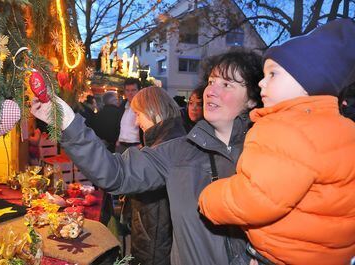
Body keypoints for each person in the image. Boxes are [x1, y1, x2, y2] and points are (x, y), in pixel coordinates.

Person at [30, 49, 263, 265]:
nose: (211, 90)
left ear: (252, 98)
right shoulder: (179, 152)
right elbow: (117, 174)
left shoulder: (269, 154)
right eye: (211, 81)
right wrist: (67, 123)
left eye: (227, 83)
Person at [198, 19, 355, 265]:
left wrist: (209, 199)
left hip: (281, 254)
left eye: (273, 74)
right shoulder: (344, 128)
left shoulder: (287, 128)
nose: (261, 82)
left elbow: (257, 197)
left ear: (307, 83)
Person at [128, 86, 185, 265]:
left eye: (138, 114)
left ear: (153, 110)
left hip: (154, 250)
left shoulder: (165, 148)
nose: (136, 122)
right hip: (154, 244)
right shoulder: (168, 142)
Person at [115, 78, 142, 153]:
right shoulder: (122, 106)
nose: (130, 93)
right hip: (121, 146)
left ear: (139, 91)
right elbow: (117, 124)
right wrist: (117, 140)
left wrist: (143, 145)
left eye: (133, 90)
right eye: (127, 90)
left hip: (136, 146)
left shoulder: (143, 107)